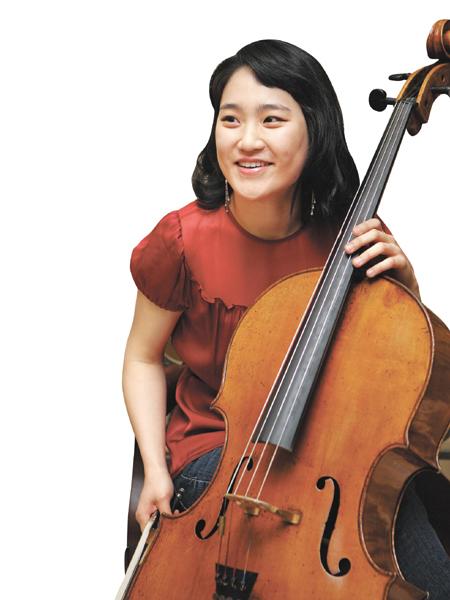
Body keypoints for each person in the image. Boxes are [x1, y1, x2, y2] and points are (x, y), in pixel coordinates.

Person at [122, 40, 450, 598]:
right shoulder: (182, 239)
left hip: (335, 468)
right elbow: (143, 357)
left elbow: (399, 387)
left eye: (272, 120)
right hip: (216, 456)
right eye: (231, 119)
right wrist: (155, 469)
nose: (247, 140)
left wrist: (407, 293)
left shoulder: (353, 245)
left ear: (314, 130)